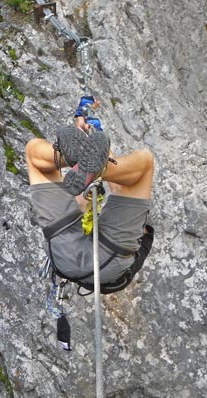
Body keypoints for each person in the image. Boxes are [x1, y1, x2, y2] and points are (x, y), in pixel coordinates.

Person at [25, 97, 155, 294]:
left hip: (73, 251)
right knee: (33, 155)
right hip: (89, 262)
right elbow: (119, 187)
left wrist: (89, 142)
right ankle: (92, 166)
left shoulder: (139, 237)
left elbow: (118, 187)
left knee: (144, 163)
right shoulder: (133, 249)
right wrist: (94, 145)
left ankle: (67, 158)